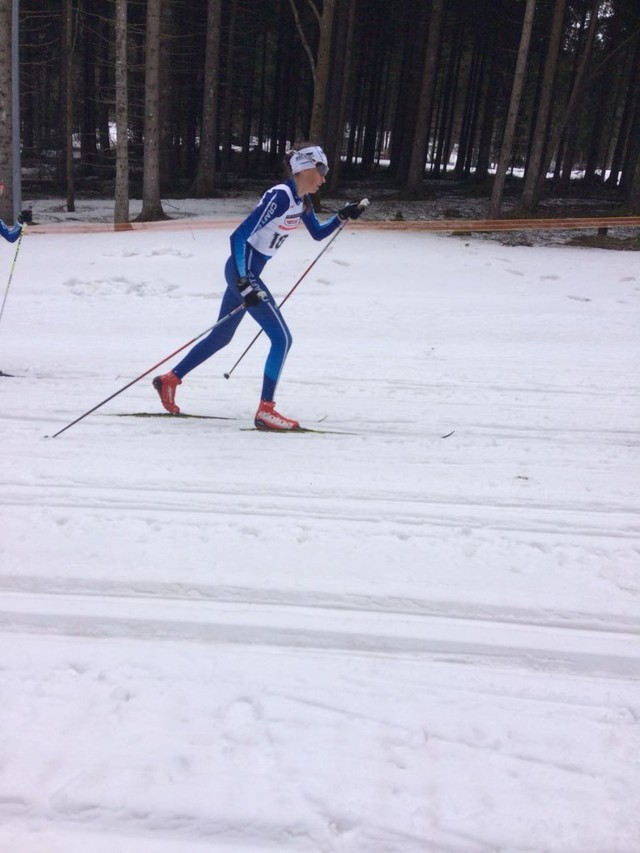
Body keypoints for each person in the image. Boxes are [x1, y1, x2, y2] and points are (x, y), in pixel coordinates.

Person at [153, 144, 368, 430]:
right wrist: (244, 281)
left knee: (221, 337)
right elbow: (239, 236)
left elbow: (318, 234)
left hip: (246, 272)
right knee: (282, 339)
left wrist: (342, 215)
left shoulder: (301, 201)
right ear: (304, 169)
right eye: (322, 170)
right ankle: (266, 411)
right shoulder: (281, 196)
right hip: (243, 270)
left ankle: (170, 379)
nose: (324, 178)